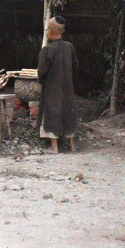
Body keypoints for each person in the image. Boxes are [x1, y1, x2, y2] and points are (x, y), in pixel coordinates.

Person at [37, 16, 79, 154]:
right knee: (68, 111)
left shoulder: (47, 50)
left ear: (50, 32)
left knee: (52, 113)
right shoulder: (69, 47)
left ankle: (55, 147)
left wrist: (42, 80)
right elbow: (75, 66)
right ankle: (72, 145)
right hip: (67, 87)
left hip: (52, 88)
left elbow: (42, 71)